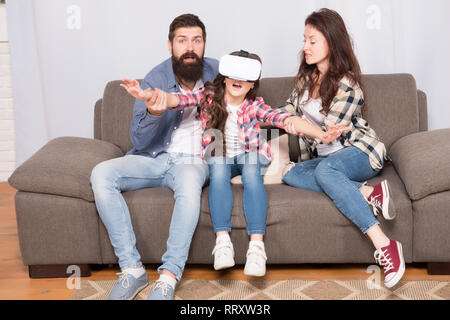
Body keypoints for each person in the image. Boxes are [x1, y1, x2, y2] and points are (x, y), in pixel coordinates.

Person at [121, 50, 349, 277]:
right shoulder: (208, 95)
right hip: (220, 152)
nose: (238, 80)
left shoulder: (255, 105)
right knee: (218, 170)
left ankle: (257, 247)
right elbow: (178, 100)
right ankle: (222, 243)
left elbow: (286, 119)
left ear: (252, 84)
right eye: (234, 74)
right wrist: (148, 96)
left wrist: (322, 134)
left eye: (246, 76)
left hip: (251, 152)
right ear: (225, 76)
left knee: (251, 172)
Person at [90, 13, 219, 300]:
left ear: (204, 44)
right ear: (170, 45)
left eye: (196, 40)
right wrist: (153, 112)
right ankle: (132, 269)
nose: (190, 47)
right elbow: (138, 140)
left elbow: (243, 104)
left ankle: (169, 276)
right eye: (182, 40)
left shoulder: (219, 75)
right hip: (154, 158)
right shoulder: (155, 78)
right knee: (101, 174)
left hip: (193, 161)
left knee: (188, 185)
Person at [279, 8, 404, 288]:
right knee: (290, 173)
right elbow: (285, 112)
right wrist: (265, 115)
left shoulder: (348, 85)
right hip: (327, 164)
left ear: (331, 43)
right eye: (304, 40)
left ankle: (385, 245)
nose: (305, 47)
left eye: (312, 40)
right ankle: (368, 192)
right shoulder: (304, 81)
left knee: (327, 170)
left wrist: (298, 123)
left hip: (360, 153)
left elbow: (327, 133)